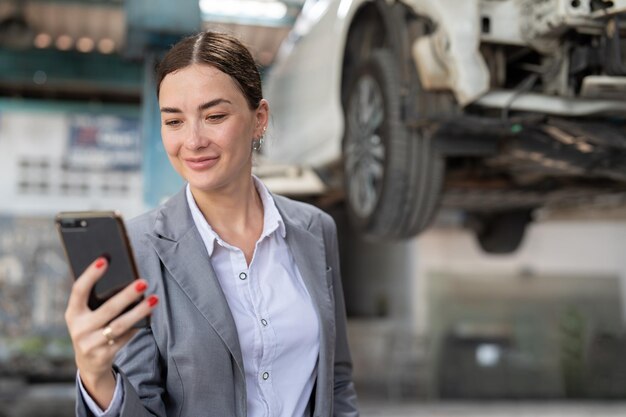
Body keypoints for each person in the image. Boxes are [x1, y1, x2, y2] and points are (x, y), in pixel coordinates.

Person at [64, 31, 359, 417]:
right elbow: (142, 406)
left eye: (215, 116)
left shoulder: (315, 229)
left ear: (259, 120)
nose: (193, 140)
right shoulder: (138, 250)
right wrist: (96, 376)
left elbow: (336, 381)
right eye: (174, 121)